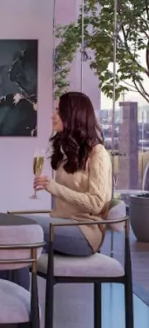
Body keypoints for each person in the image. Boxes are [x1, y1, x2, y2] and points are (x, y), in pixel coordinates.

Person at [28, 90, 112, 269]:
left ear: (74, 116)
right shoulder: (69, 153)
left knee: (24, 227)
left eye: (59, 111)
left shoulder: (98, 154)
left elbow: (96, 203)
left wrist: (54, 187)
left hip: (85, 232)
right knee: (18, 241)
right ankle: (8, 287)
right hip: (61, 224)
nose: (53, 116)